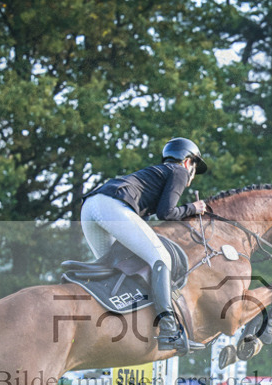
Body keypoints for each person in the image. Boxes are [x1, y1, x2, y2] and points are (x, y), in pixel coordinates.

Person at [80, 137, 209, 354]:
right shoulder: (179, 171)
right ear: (188, 162)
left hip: (90, 207)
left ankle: (104, 324)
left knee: (112, 270)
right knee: (162, 258)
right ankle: (169, 329)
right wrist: (193, 208)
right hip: (111, 206)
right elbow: (167, 213)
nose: (193, 176)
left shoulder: (154, 175)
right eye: (194, 168)